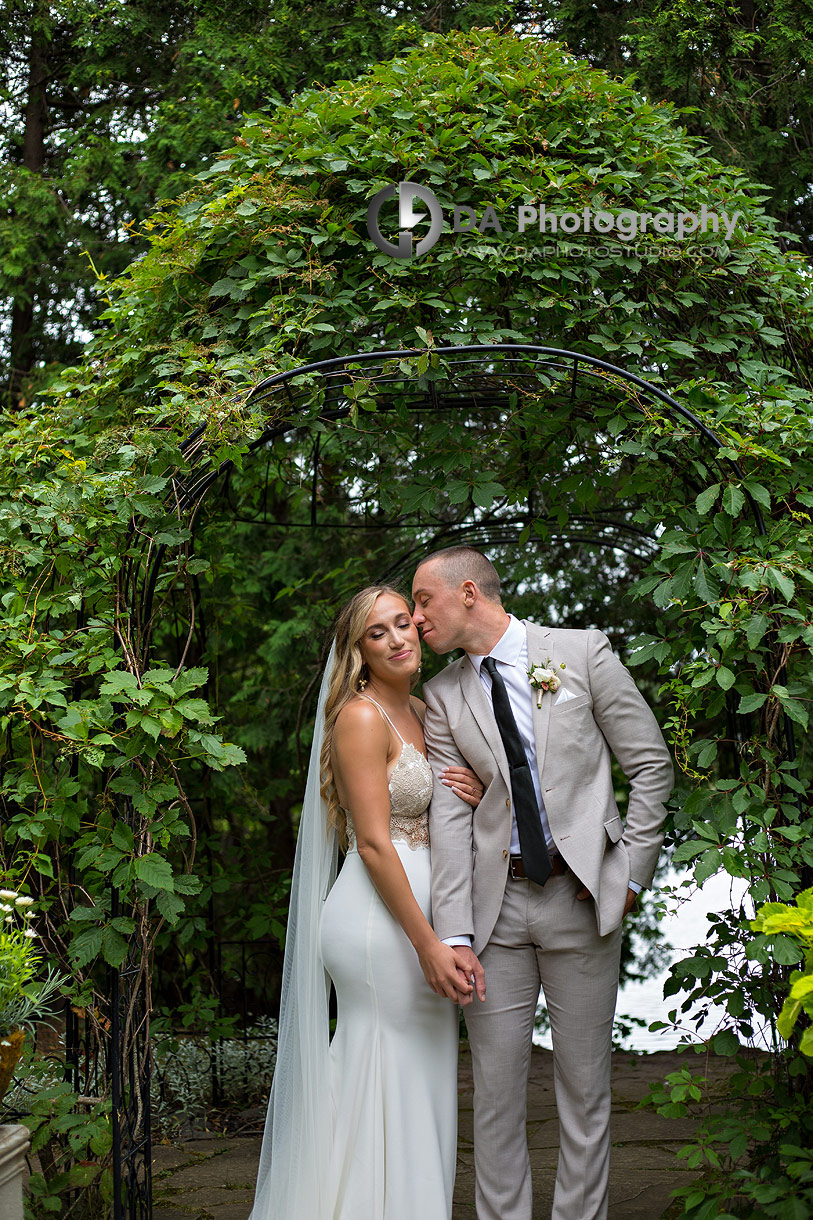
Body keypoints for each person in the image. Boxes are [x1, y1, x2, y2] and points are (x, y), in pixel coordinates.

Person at [412, 547, 674, 1220]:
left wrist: (628, 879)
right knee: (494, 1095)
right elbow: (448, 817)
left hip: (581, 901)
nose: (415, 619)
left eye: (422, 601)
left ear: (466, 593)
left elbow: (650, 768)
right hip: (493, 913)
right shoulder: (441, 695)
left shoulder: (581, 654)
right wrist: (455, 932)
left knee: (583, 1089)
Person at [248, 585, 484, 1220]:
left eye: (402, 623)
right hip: (381, 923)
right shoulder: (360, 717)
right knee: (386, 1076)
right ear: (357, 652)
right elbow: (376, 843)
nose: (397, 639)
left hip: (418, 917)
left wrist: (477, 790)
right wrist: (428, 944)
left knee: (418, 1082)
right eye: (376, 633)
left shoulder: (424, 710)